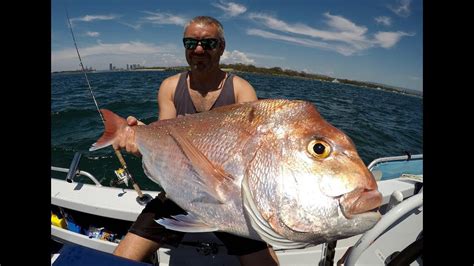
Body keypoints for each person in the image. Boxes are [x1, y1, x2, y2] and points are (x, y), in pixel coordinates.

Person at [112, 16, 279, 266]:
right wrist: (139, 139)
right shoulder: (169, 87)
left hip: (227, 200)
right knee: (122, 258)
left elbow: (248, 156)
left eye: (208, 43)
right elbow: (165, 138)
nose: (198, 50)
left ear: (221, 47)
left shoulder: (242, 90)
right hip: (178, 193)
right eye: (191, 43)